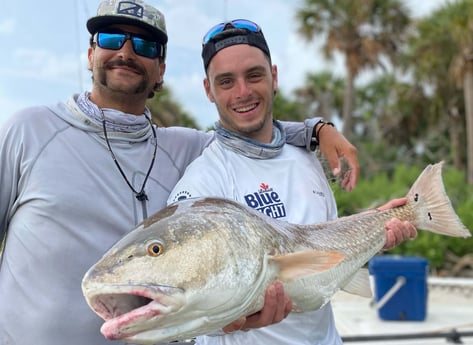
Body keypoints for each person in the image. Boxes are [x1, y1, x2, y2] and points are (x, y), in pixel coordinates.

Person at [0, 1, 367, 345]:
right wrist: (318, 128)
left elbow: (249, 123)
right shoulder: (28, 130)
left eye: (144, 45)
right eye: (111, 39)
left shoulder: (186, 147)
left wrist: (319, 130)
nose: (126, 52)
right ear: (91, 53)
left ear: (160, 69)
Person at [167, 19, 417, 344]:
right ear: (208, 91)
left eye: (254, 75)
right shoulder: (201, 184)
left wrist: (375, 233)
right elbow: (186, 303)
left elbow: (328, 248)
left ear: (274, 77)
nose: (242, 92)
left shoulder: (306, 158)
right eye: (226, 81)